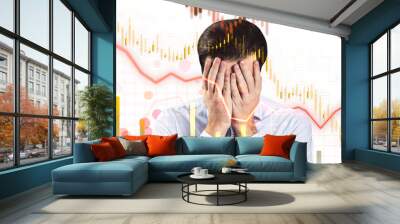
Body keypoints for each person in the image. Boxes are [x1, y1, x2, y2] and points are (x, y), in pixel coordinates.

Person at [151, 18, 311, 143]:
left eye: (240, 80)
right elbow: (184, 184)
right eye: (221, 81)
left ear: (258, 78)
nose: (230, 92)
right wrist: (215, 127)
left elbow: (279, 182)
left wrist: (244, 127)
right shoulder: (172, 121)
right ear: (205, 78)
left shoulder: (291, 124)